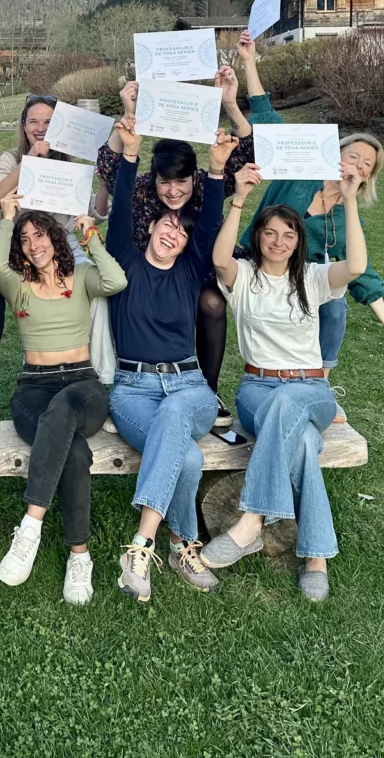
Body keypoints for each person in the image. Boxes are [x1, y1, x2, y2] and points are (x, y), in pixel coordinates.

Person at [200, 161, 368, 601]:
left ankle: (252, 520)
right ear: (259, 237)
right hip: (257, 389)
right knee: (306, 446)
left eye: (289, 236)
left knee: (291, 404)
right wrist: (238, 198)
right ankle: (317, 557)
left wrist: (349, 201)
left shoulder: (312, 278)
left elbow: (356, 266)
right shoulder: (245, 277)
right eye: (270, 233)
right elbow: (219, 258)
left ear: (299, 243)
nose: (279, 242)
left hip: (312, 391)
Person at [235, 30, 384, 418]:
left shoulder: (344, 215)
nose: (355, 163)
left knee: (335, 308)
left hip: (298, 280)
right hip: (255, 264)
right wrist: (250, 62)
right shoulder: (299, 170)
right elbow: (268, 120)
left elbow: (362, 275)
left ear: (368, 177)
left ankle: (319, 381)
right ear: (336, 153)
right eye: (351, 154)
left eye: (365, 164)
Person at [106, 118, 238, 603]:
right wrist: (130, 156)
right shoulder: (123, 260)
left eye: (181, 235)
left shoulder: (189, 271)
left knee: (180, 411)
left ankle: (140, 544)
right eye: (166, 225)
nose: (173, 234)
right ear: (152, 226)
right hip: (132, 390)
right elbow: (120, 209)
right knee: (189, 454)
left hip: (190, 386)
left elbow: (206, 226)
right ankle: (184, 544)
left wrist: (218, 168)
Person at [0, 192, 128, 604]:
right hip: (33, 386)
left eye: (41, 234)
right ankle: (79, 556)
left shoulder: (81, 277)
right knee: (77, 453)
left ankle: (30, 525)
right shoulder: (18, 285)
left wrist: (91, 238)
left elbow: (116, 280)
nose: (34, 244)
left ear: (55, 237)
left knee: (64, 409)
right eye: (26, 239)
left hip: (83, 385)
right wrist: (7, 217)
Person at [95, 68, 253, 424]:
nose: (174, 191)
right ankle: (136, 379)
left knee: (211, 301)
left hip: (191, 271)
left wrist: (229, 103)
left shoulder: (201, 184)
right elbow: (109, 172)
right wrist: (129, 116)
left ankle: (205, 392)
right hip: (140, 269)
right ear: (155, 178)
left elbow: (244, 153)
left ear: (192, 177)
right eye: (166, 183)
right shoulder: (141, 189)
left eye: (181, 182)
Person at [0, 91, 110, 402]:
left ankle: (102, 377)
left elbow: (97, 211)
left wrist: (106, 181)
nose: (40, 128)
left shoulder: (67, 162)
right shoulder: (10, 160)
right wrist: (29, 163)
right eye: (33, 122)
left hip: (64, 244)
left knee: (99, 294)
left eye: (48, 122)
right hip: (23, 245)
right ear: (23, 125)